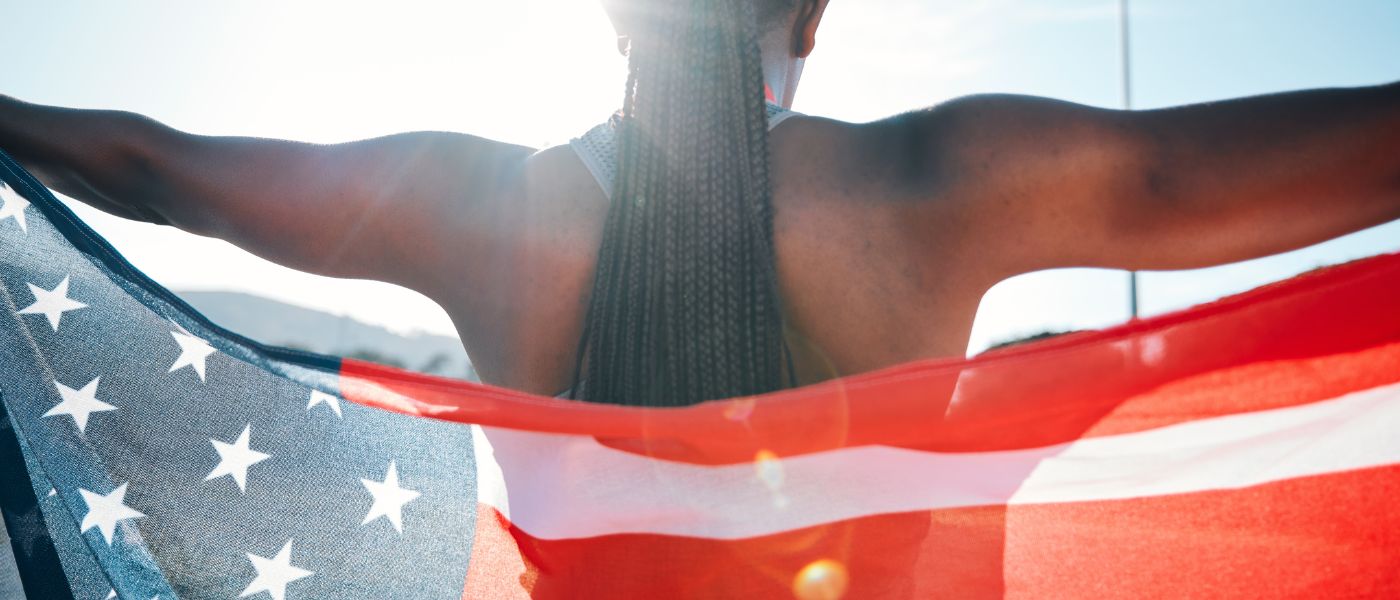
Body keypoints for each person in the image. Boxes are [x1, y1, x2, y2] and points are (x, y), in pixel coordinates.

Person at [0, 0, 1396, 407]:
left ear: (611, 16)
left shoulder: (482, 211)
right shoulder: (938, 184)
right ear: (820, 11)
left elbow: (151, 168)